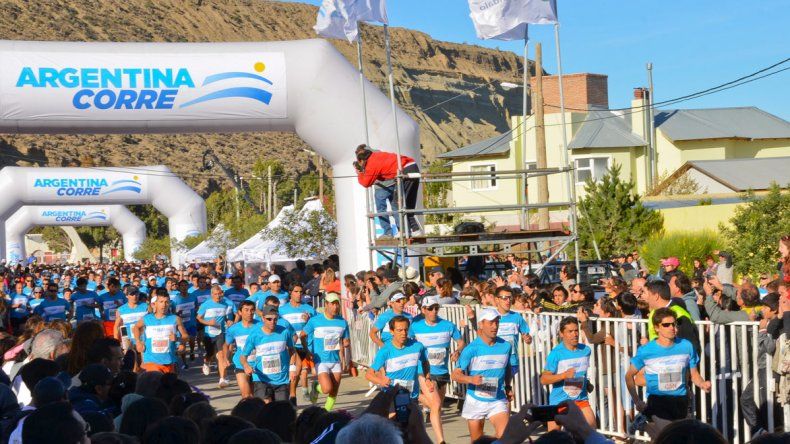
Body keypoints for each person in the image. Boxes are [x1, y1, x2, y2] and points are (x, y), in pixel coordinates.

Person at [626, 307, 711, 436]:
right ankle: (645, 423)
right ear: (657, 328)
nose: (672, 327)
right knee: (670, 436)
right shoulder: (646, 350)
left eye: (674, 324)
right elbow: (629, 376)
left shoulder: (686, 346)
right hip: (658, 400)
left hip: (681, 400)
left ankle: (643, 423)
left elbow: (694, 375)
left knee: (671, 437)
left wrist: (702, 384)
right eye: (666, 325)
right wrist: (637, 400)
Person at [409, 296, 465, 444]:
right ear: (423, 310)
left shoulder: (448, 325)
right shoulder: (415, 326)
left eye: (436, 308)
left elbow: (460, 342)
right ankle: (441, 441)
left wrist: (457, 351)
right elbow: (407, 344)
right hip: (425, 372)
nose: (434, 311)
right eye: (430, 308)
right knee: (436, 404)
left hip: (442, 372)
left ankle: (412, 398)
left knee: (437, 408)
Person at [452, 309, 513, 441]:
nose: (495, 326)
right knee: (477, 441)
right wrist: (470, 379)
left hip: (497, 399)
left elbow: (507, 367)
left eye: (497, 322)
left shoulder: (506, 346)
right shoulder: (471, 349)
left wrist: (508, 386)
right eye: (491, 323)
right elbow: (455, 375)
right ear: (481, 324)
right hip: (476, 400)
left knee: (505, 437)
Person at [540, 317, 596, 431]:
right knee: (553, 436)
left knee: (591, 432)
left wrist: (586, 383)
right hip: (559, 402)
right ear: (561, 334)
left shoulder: (586, 350)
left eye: (576, 331)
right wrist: (563, 376)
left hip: (580, 400)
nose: (574, 334)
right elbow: (544, 379)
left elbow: (581, 372)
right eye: (570, 331)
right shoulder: (555, 354)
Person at [354, 144, 422, 236]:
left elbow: (366, 183)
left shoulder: (371, 164)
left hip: (404, 171)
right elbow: (385, 173)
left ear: (361, 160)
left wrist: (360, 173)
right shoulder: (377, 155)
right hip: (413, 166)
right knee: (407, 203)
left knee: (397, 203)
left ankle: (404, 231)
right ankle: (415, 230)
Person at [302, 292, 349, 411]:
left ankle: (326, 414)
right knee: (327, 388)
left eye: (337, 304)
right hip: (321, 360)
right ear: (326, 304)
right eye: (332, 304)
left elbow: (344, 341)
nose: (335, 307)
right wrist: (307, 351)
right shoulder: (315, 320)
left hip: (335, 360)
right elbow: (302, 335)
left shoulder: (342, 322)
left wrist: (344, 359)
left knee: (334, 391)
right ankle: (316, 387)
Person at [241, 305, 295, 403]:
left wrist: (292, 369)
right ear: (263, 318)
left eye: (275, 319)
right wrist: (246, 365)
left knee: (280, 410)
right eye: (269, 319)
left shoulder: (284, 332)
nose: (272, 322)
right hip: (261, 378)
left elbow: (292, 351)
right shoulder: (255, 335)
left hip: (281, 379)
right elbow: (243, 356)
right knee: (265, 406)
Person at [133, 288, 190, 374]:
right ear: (155, 304)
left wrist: (179, 340)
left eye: (166, 302)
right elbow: (136, 327)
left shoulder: (175, 319)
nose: (164, 305)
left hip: (169, 361)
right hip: (151, 361)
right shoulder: (147, 319)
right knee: (155, 385)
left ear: (169, 303)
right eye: (161, 302)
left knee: (168, 387)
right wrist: (138, 341)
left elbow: (186, 336)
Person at [279, 282, 317, 405]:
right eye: (296, 291)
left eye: (301, 292)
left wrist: (310, 320)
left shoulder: (309, 309)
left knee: (303, 372)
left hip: (306, 346)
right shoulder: (282, 310)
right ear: (290, 293)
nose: (299, 294)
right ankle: (292, 396)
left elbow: (317, 324)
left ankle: (301, 393)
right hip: (291, 347)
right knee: (296, 371)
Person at [197, 284, 234, 387]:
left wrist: (229, 321)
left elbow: (226, 318)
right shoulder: (206, 304)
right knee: (210, 353)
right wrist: (209, 323)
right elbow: (199, 318)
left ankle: (222, 378)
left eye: (219, 294)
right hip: (208, 334)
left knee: (221, 355)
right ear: (212, 294)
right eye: (216, 294)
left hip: (220, 333)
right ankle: (206, 362)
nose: (218, 296)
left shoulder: (224, 304)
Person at [225, 300, 261, 399]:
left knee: (256, 396)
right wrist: (226, 358)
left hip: (258, 364)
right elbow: (227, 344)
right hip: (241, 364)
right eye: (246, 310)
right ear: (240, 312)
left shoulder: (261, 326)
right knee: (246, 396)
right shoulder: (233, 329)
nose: (249, 313)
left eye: (252, 310)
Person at [172, 279, 198, 369]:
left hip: (191, 323)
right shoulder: (175, 300)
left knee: (191, 340)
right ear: (178, 287)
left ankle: (191, 351)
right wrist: (177, 315)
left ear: (188, 287)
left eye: (185, 285)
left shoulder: (193, 297)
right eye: (182, 285)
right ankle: (184, 362)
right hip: (181, 325)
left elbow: (196, 307)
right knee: (182, 343)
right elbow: (172, 313)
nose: (184, 287)